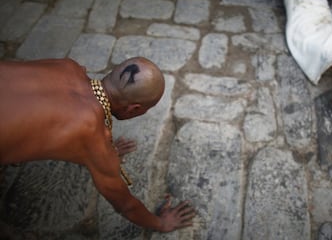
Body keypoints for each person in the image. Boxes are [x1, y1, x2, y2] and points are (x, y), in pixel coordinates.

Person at [0, 57, 195, 232]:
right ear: (133, 109)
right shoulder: (93, 134)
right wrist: (161, 223)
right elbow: (125, 205)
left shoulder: (69, 66)